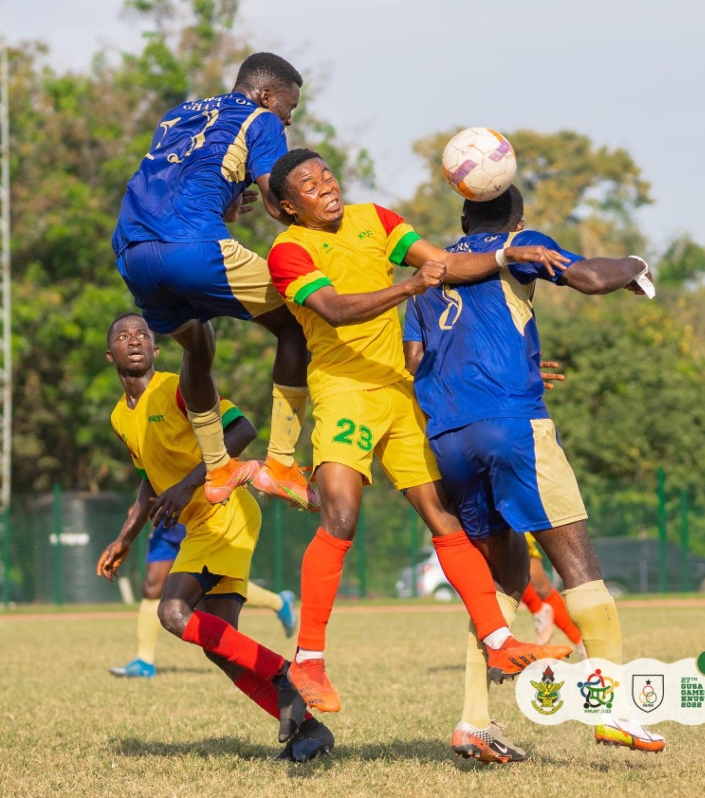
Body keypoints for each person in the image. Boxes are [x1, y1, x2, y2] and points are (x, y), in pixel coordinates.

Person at [264, 148, 573, 716]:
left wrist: (507, 254)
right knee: (340, 517)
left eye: (327, 174)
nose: (326, 186)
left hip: (401, 391)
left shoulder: (376, 219)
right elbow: (333, 309)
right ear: (288, 206)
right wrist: (409, 288)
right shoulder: (288, 250)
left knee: (444, 518)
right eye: (308, 185)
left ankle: (501, 644)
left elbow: (445, 266)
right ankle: (308, 661)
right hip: (343, 390)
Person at [403, 185, 666, 758]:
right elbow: (592, 278)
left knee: (502, 578)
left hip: (449, 435)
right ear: (515, 219)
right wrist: (635, 265)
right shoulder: (520, 244)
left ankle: (475, 720)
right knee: (578, 562)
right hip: (511, 425)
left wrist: (505, 367)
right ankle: (615, 710)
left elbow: (416, 364)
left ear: (463, 216)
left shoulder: (432, 269)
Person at [96, 313, 332, 763]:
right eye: (123, 336)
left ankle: (287, 676)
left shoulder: (175, 387)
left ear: (156, 349)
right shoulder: (118, 418)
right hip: (202, 524)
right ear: (111, 356)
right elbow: (149, 480)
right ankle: (310, 731)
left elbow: (242, 429)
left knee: (173, 611)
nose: (134, 339)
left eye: (143, 333)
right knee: (219, 646)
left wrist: (187, 485)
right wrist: (125, 536)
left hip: (226, 511)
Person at [111, 52, 316, 512]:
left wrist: (222, 205)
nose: (289, 116)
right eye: (290, 106)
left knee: (198, 345)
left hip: (133, 251)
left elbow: (176, 182)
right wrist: (323, 238)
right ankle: (282, 465)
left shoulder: (176, 115)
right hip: (193, 247)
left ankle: (218, 465)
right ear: (266, 95)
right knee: (299, 321)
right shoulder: (263, 120)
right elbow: (275, 196)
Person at [108, 517, 297, 678]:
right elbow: (150, 481)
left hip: (200, 520)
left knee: (218, 584)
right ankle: (144, 661)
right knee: (152, 587)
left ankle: (278, 603)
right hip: (166, 525)